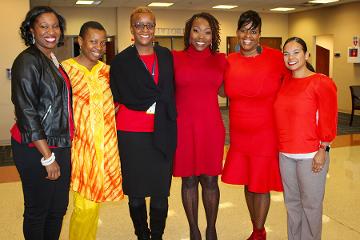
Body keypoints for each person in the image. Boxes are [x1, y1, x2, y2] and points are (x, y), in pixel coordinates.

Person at [110, 6, 177, 240]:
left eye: (149, 25)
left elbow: (173, 90)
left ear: (155, 28)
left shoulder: (167, 56)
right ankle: (142, 234)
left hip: (162, 130)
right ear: (132, 28)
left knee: (161, 191)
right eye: (139, 24)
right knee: (136, 192)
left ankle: (156, 235)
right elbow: (115, 96)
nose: (145, 29)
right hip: (131, 134)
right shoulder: (120, 62)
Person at [221, 10, 287, 240]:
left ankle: (259, 233)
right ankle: (255, 227)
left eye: (253, 31)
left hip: (265, 132)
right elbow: (217, 88)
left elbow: (299, 77)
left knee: (260, 183)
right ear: (237, 32)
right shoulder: (229, 62)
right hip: (239, 134)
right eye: (243, 30)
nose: (247, 35)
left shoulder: (276, 58)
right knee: (248, 183)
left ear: (260, 34)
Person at [10, 6, 73, 240]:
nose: (51, 31)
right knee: (39, 211)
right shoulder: (27, 61)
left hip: (59, 143)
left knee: (57, 209)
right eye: (43, 26)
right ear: (31, 30)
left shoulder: (52, 59)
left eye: (55, 26)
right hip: (37, 147)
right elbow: (27, 112)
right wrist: (48, 157)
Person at [61, 21, 123, 240]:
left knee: (93, 203)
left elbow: (118, 103)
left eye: (102, 42)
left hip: (104, 149)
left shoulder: (107, 72)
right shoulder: (65, 70)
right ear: (80, 42)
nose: (98, 47)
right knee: (84, 205)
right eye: (93, 41)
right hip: (79, 148)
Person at [274, 37, 337, 240]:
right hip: (286, 153)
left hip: (311, 154)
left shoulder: (321, 82)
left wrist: (323, 149)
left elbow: (328, 118)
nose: (290, 57)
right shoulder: (285, 81)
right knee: (292, 203)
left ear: (307, 55)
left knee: (311, 205)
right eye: (286, 53)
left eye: (296, 52)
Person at [172, 12, 226, 240]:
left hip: (211, 127)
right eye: (196, 30)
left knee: (210, 180)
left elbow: (233, 89)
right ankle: (194, 229)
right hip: (183, 127)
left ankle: (211, 228)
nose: (201, 36)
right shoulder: (174, 58)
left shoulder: (222, 60)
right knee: (189, 179)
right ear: (188, 33)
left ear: (213, 36)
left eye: (207, 31)